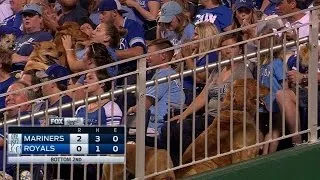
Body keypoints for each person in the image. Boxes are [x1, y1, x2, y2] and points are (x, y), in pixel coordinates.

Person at [162, 33, 254, 166]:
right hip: (208, 117)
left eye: (232, 47)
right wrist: (184, 114)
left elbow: (238, 97)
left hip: (225, 119)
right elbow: (204, 95)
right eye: (223, 47)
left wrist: (215, 92)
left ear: (240, 49)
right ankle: (178, 166)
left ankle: (194, 163)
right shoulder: (218, 69)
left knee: (181, 129)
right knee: (169, 127)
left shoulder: (243, 72)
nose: (227, 50)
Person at [128, 38, 185, 135]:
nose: (147, 58)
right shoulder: (167, 73)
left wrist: (130, 110)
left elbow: (143, 106)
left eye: (150, 54)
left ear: (163, 56)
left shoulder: (164, 75)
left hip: (156, 127)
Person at [0, 81, 41, 176]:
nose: (9, 98)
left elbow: (1, 140)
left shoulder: (27, 119)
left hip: (14, 173)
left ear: (28, 102)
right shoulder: (6, 121)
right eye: (7, 95)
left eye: (15, 94)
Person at [258, 27, 284, 154]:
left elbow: (282, 82)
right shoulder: (267, 62)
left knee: (272, 131)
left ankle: (266, 156)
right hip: (268, 103)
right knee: (271, 131)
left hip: (273, 102)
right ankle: (266, 156)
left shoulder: (273, 63)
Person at [181, 22, 220, 105]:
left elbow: (199, 79)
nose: (193, 38)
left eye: (196, 34)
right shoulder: (196, 54)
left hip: (193, 92)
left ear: (205, 37)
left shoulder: (212, 55)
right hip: (183, 89)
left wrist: (187, 57)